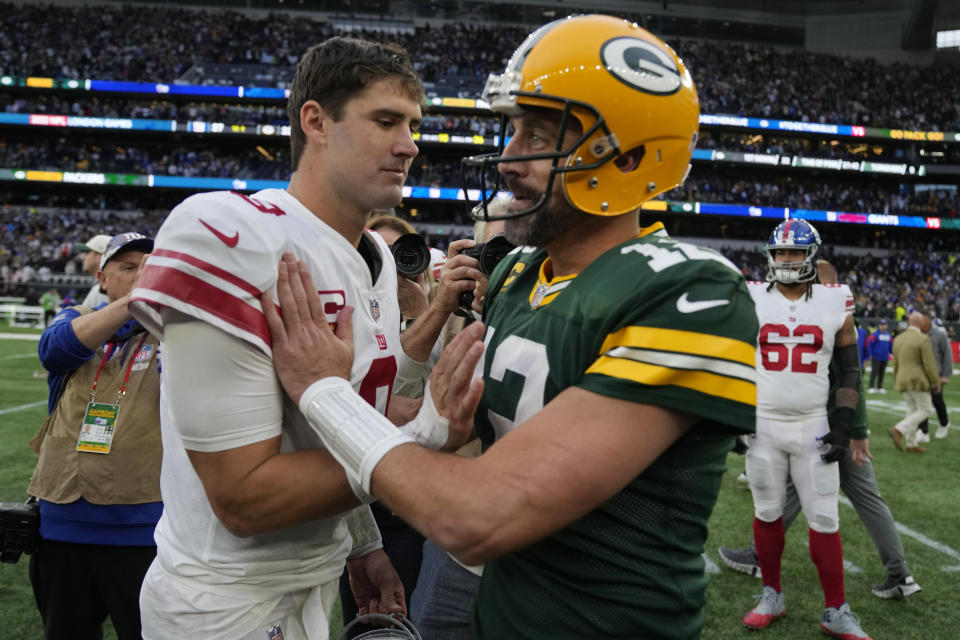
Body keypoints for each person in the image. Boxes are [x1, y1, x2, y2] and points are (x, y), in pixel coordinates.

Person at [262, 15, 760, 639]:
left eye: (539, 134)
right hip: (501, 608)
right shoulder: (517, 273)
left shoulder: (687, 289)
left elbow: (480, 516)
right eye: (512, 129)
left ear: (627, 155)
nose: (508, 158)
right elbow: (441, 420)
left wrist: (325, 394)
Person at [128, 37, 476, 640]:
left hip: (312, 573)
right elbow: (243, 500)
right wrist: (424, 438)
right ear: (315, 121)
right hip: (224, 600)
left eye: (414, 125)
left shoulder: (379, 258)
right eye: (386, 121)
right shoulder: (230, 233)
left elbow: (339, 425)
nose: (409, 145)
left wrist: (359, 540)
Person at [719, 258, 921, 601]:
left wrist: (855, 430)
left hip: (826, 429)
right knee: (808, 494)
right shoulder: (813, 309)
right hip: (815, 427)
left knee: (851, 497)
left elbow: (848, 377)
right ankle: (899, 573)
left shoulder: (830, 313)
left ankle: (897, 573)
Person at [740, 221, 872, 639]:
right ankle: (771, 594)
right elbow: (732, 356)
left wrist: (843, 425)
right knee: (767, 512)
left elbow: (850, 369)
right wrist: (733, 415)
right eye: (780, 253)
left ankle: (836, 609)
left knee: (825, 518)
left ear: (811, 256)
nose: (786, 260)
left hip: (813, 423)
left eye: (795, 253)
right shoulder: (752, 295)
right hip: (763, 424)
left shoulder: (836, 300)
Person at [28, 232, 160, 640]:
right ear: (102, 278)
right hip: (62, 525)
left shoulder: (174, 334)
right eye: (127, 267)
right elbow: (55, 351)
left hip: (144, 527)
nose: (140, 275)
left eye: (148, 267)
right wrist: (130, 304)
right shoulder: (73, 317)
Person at [888, 311, 940, 453]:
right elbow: (929, 364)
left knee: (912, 410)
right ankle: (898, 430)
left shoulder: (898, 339)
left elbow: (896, 363)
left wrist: (896, 380)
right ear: (920, 322)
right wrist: (936, 382)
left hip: (902, 378)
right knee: (926, 410)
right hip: (918, 380)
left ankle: (911, 444)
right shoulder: (922, 338)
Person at [919, 316, 952, 440]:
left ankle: (944, 423)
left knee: (937, 401)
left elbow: (947, 355)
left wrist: (946, 375)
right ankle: (923, 431)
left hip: (936, 374)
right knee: (922, 403)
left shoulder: (940, 335)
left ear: (929, 321)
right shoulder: (918, 334)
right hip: (921, 374)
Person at [74, 234, 111, 308]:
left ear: (100, 257)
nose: (83, 258)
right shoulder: (100, 287)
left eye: (87, 253)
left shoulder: (106, 289)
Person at [866, 319, 892, 393]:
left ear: (886, 326)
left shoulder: (889, 334)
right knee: (874, 372)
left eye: (884, 325)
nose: (883, 326)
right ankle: (871, 386)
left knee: (882, 372)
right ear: (879, 326)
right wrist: (870, 354)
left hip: (884, 357)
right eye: (882, 325)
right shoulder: (875, 334)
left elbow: (890, 345)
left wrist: (890, 353)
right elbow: (870, 345)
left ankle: (879, 387)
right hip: (876, 356)